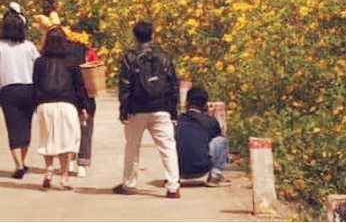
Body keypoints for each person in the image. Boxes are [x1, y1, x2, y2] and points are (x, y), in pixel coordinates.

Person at [113, 21, 181, 199]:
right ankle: (173, 186)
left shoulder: (130, 57)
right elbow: (173, 85)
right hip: (161, 108)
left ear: (135, 37)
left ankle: (129, 184)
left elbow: (125, 85)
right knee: (167, 147)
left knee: (132, 147)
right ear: (152, 35)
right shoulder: (165, 57)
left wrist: (123, 110)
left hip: (137, 109)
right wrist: (173, 110)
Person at [0, 7, 40, 179]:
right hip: (29, 89)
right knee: (26, 125)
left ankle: (18, 165)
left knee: (13, 127)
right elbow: (38, 67)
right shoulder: (29, 46)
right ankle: (22, 162)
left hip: (8, 90)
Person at [33, 26, 89, 190]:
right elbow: (80, 87)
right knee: (67, 142)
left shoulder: (39, 62)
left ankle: (49, 169)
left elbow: (35, 85)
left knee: (48, 138)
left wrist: (36, 105)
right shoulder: (72, 61)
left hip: (45, 105)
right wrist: (83, 107)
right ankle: (64, 177)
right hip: (67, 105)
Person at [176, 86, 230, 186]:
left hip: (178, 169)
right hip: (201, 169)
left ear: (187, 102)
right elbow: (218, 134)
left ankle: (173, 177)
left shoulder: (177, 120)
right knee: (221, 140)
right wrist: (211, 115)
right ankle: (215, 175)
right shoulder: (210, 121)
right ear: (205, 104)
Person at [65, 36, 97, 178]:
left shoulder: (60, 52)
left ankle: (69, 161)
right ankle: (82, 164)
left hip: (67, 94)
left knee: (67, 130)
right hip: (87, 95)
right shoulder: (88, 53)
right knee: (86, 129)